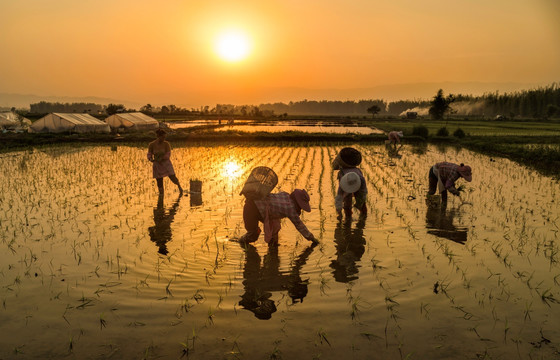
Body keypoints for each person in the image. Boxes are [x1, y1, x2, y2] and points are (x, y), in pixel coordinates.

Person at [239, 189, 318, 246]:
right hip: (251, 209)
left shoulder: (285, 195)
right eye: (300, 206)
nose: (300, 209)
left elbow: (273, 203)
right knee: (252, 235)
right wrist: (312, 238)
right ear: (297, 203)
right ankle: (240, 242)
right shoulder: (290, 209)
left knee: (274, 235)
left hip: (256, 207)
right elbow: (299, 225)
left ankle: (272, 250)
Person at [332, 147, 368, 219]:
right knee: (362, 204)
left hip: (352, 186)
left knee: (347, 205)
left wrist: (339, 211)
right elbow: (364, 187)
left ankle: (348, 220)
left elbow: (340, 194)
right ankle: (363, 218)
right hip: (358, 186)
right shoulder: (357, 170)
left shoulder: (342, 173)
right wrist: (363, 196)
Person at [147, 129, 183, 195]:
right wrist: (150, 159)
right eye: (162, 137)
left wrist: (162, 158)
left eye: (164, 137)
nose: (164, 139)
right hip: (157, 164)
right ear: (158, 136)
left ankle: (180, 187)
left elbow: (168, 154)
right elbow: (149, 154)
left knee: (172, 177)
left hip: (166, 163)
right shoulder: (152, 145)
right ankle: (161, 194)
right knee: (159, 180)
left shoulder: (166, 144)